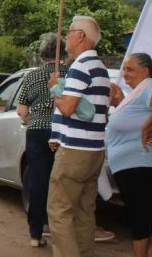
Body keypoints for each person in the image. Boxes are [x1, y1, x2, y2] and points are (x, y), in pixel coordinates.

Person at [47, 16, 111, 257]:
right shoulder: (100, 68)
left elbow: (67, 108)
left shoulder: (81, 66)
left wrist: (55, 87)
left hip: (75, 150)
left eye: (70, 32)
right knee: (85, 211)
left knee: (59, 210)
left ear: (81, 36)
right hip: (94, 150)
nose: (67, 38)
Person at [105, 53, 152, 257]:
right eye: (124, 69)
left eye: (130, 69)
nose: (125, 73)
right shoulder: (138, 90)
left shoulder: (150, 84)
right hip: (141, 164)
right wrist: (120, 102)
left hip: (141, 164)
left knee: (143, 221)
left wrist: (148, 128)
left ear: (146, 71)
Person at [16, 33, 69, 247]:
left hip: (37, 133)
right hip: (64, 133)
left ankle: (35, 234)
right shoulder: (71, 73)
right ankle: (61, 232)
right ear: (64, 52)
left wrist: (34, 121)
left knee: (38, 182)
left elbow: (21, 111)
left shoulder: (32, 76)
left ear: (41, 54)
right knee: (62, 183)